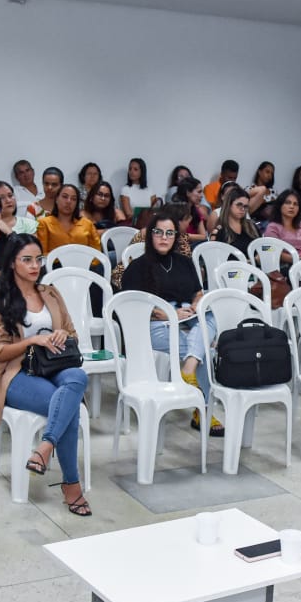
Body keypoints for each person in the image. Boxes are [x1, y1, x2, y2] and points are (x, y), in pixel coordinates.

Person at [0, 235, 92, 515]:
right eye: (27, 260)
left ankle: (45, 446)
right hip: (17, 372)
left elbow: (72, 334)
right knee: (67, 406)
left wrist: (60, 334)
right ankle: (72, 485)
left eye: (39, 259)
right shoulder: (0, 300)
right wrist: (33, 341)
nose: (35, 266)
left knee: (78, 378)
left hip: (54, 364)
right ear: (11, 263)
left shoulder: (51, 293)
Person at [118, 210, 223, 435]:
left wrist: (196, 306)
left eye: (169, 233)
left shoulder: (185, 262)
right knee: (202, 346)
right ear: (150, 235)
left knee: (210, 315)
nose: (164, 237)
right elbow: (131, 306)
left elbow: (198, 292)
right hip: (155, 324)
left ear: (176, 236)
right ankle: (202, 410)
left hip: (188, 317)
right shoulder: (138, 266)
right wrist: (168, 314)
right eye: (158, 232)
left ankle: (188, 369)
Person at [36, 184, 99, 256]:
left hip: (84, 265)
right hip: (55, 265)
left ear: (76, 203)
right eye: (65, 197)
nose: (69, 201)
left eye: (73, 199)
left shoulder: (87, 224)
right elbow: (41, 254)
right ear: (56, 199)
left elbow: (96, 253)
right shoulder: (44, 223)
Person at [262, 189, 301, 260]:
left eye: (295, 204)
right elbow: (269, 250)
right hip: (287, 265)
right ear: (280, 205)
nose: (292, 207)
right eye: (288, 203)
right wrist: (297, 259)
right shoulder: (272, 227)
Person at [210, 183, 260, 251]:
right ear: (229, 205)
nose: (242, 209)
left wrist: (272, 250)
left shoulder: (252, 226)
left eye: (245, 206)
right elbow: (213, 254)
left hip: (254, 261)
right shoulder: (219, 230)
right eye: (239, 205)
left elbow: (264, 246)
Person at [120, 157, 160, 224]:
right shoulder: (125, 189)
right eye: (130, 169)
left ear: (142, 171)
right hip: (133, 224)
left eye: (135, 169)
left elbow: (155, 211)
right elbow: (128, 214)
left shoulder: (150, 190)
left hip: (149, 224)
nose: (131, 172)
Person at [175, 176, 209, 245]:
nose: (201, 196)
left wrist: (186, 236)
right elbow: (175, 235)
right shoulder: (176, 211)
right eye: (199, 192)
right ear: (188, 193)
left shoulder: (196, 211)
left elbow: (204, 236)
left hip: (194, 246)